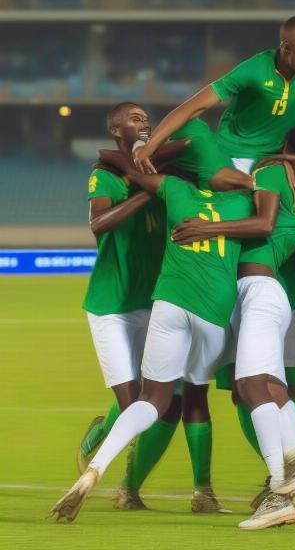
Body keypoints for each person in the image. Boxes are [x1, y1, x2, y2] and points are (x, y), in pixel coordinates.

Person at [51, 144, 254, 522]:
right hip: (201, 310)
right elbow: (264, 213)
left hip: (164, 301)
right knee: (192, 399)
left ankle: (98, 471)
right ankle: (202, 491)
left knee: (151, 401)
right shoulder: (243, 203)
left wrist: (118, 157)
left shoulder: (173, 193)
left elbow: (126, 163)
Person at [171, 124, 295, 530]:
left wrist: (205, 227)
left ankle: (280, 490)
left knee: (249, 386)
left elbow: (265, 224)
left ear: (284, 146)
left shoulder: (271, 173)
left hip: (260, 291)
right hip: (270, 291)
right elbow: (294, 245)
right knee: (270, 386)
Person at [131, 15, 295, 205]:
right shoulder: (254, 71)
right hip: (234, 156)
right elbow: (193, 107)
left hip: (276, 159)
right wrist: (150, 146)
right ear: (286, 48)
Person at [78, 102, 183, 511]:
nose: (146, 123)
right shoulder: (103, 175)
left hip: (151, 301)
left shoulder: (158, 171)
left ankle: (129, 487)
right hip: (110, 304)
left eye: (147, 118)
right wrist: (145, 192)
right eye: (136, 118)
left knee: (155, 402)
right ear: (116, 129)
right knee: (132, 407)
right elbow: (99, 224)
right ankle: (104, 431)